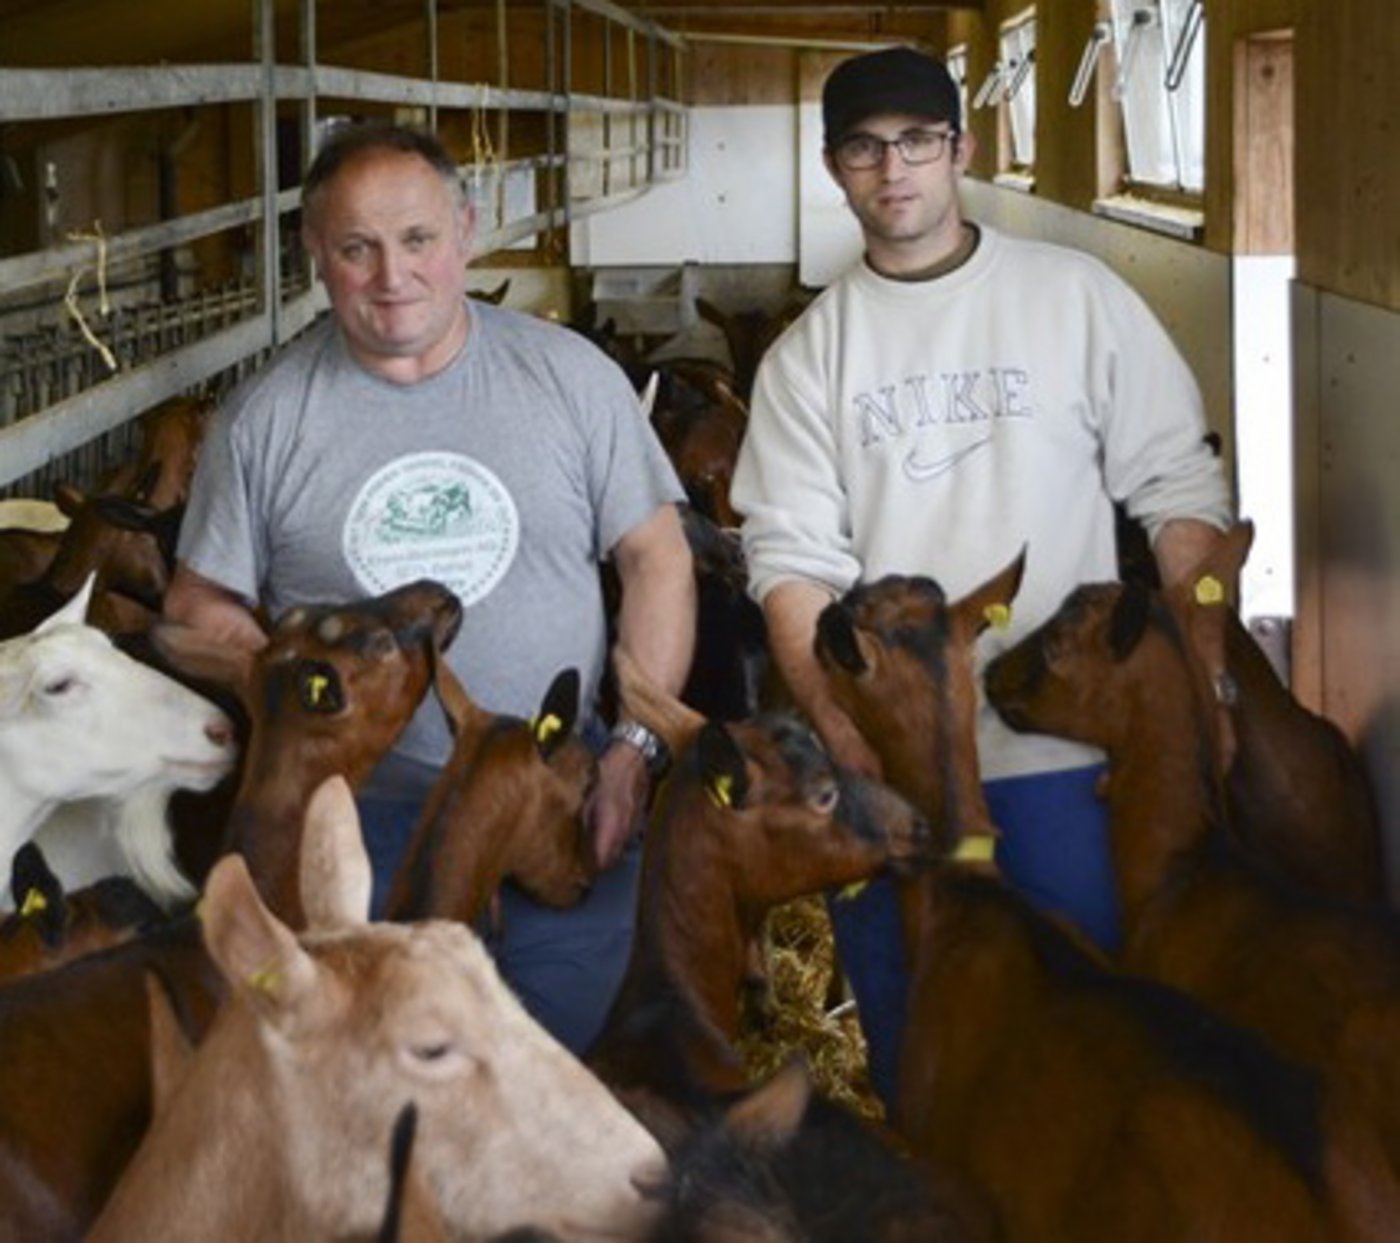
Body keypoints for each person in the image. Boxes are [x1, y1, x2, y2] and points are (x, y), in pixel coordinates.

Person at [730, 46, 1233, 1108]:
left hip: (1062, 751)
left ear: (956, 149)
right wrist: (850, 738)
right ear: (833, 167)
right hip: (897, 772)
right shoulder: (807, 357)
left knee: (1097, 1045)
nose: (892, 169)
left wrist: (1202, 682)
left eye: (916, 141)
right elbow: (791, 570)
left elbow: (1178, 489)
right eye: (864, 148)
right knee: (929, 1065)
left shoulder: (1074, 297)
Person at [165, 122, 696, 1055]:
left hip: (559, 791)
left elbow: (657, 558)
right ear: (315, 257)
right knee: (378, 1074)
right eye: (356, 248)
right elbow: (197, 606)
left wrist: (637, 750)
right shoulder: (263, 420)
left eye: (416, 240)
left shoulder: (570, 377)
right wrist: (296, 680)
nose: (391, 275)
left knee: (570, 1061)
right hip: (360, 814)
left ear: (466, 229)